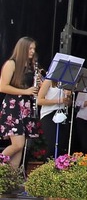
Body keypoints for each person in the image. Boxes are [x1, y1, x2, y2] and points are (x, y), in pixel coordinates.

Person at [0, 37, 39, 170]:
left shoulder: (30, 66)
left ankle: (12, 180)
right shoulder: (12, 63)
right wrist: (26, 91)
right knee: (18, 144)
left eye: (34, 48)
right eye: (30, 48)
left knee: (20, 149)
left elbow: (31, 89)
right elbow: (2, 87)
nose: (33, 51)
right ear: (22, 49)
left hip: (25, 107)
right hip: (13, 106)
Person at [36, 78, 73, 158]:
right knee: (51, 144)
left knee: (61, 144)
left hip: (62, 114)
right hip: (49, 113)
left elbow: (68, 104)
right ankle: (47, 166)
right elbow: (39, 100)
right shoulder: (48, 81)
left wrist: (68, 97)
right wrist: (59, 100)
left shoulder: (66, 83)